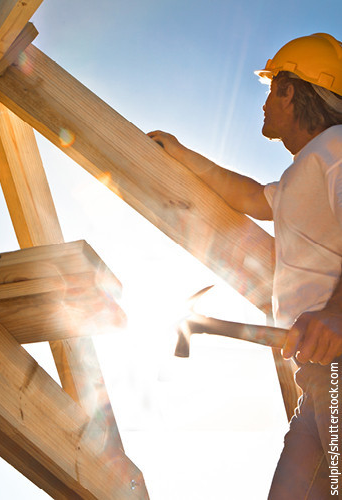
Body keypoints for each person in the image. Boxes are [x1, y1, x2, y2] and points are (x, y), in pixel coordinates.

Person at [148, 33, 342, 499]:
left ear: (289, 90)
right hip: (316, 375)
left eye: (270, 87)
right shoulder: (306, 168)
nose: (264, 104)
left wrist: (337, 313)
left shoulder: (337, 146)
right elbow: (254, 197)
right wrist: (180, 154)